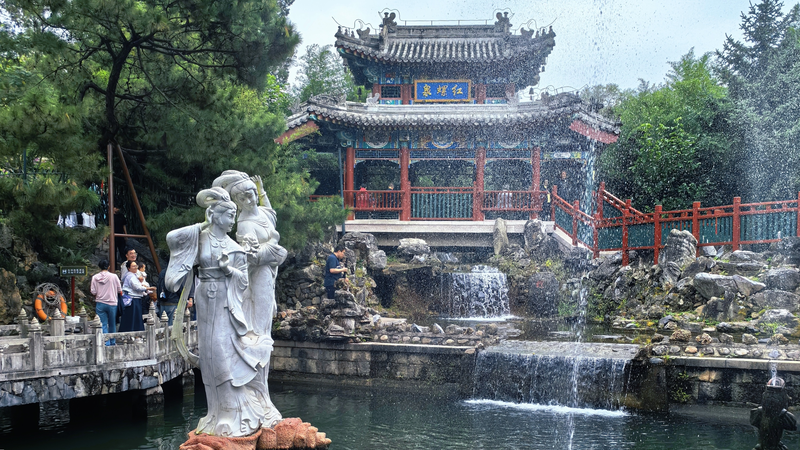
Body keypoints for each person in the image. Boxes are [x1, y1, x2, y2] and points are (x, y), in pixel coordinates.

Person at [165, 186, 275, 437]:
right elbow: (173, 237)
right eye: (229, 215)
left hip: (226, 299)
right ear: (215, 215)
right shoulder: (200, 236)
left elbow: (243, 281)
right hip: (205, 296)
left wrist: (229, 271)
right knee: (209, 350)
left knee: (222, 349)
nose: (233, 220)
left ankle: (234, 411)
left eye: (235, 215)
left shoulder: (234, 247)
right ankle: (215, 410)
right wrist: (201, 225)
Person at [214, 170, 287, 427]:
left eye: (252, 193)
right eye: (244, 196)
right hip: (258, 278)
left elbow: (272, 215)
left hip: (269, 275)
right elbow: (251, 258)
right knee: (259, 331)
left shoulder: (263, 213)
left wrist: (263, 189)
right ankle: (255, 392)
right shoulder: (243, 225)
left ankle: (262, 395)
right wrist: (274, 251)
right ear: (238, 200)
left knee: (265, 326)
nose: (251, 198)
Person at [90, 259, 122, 345]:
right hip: (112, 303)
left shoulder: (95, 277)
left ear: (99, 267)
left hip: (100, 303)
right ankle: (112, 341)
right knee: (112, 323)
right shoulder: (114, 276)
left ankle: (106, 342)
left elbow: (93, 291)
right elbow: (119, 289)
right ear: (109, 267)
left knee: (103, 324)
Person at [119, 260, 152, 332]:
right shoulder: (130, 276)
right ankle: (132, 335)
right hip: (132, 299)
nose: (135, 267)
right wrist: (147, 288)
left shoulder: (134, 275)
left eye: (136, 266)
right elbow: (136, 287)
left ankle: (134, 335)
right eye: (133, 266)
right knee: (133, 318)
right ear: (129, 268)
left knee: (134, 318)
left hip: (135, 298)